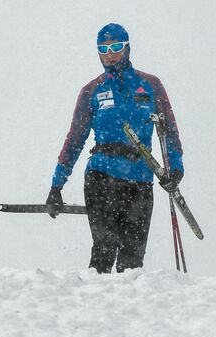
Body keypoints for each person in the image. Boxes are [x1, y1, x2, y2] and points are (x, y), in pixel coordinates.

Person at [46, 23, 185, 274]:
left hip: (140, 178)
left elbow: (170, 131)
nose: (110, 53)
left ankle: (125, 311)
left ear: (127, 47)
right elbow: (75, 139)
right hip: (101, 175)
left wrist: (175, 168)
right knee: (104, 248)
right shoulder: (92, 91)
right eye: (104, 48)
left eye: (116, 47)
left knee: (132, 260)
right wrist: (57, 185)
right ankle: (94, 305)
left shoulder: (150, 85)